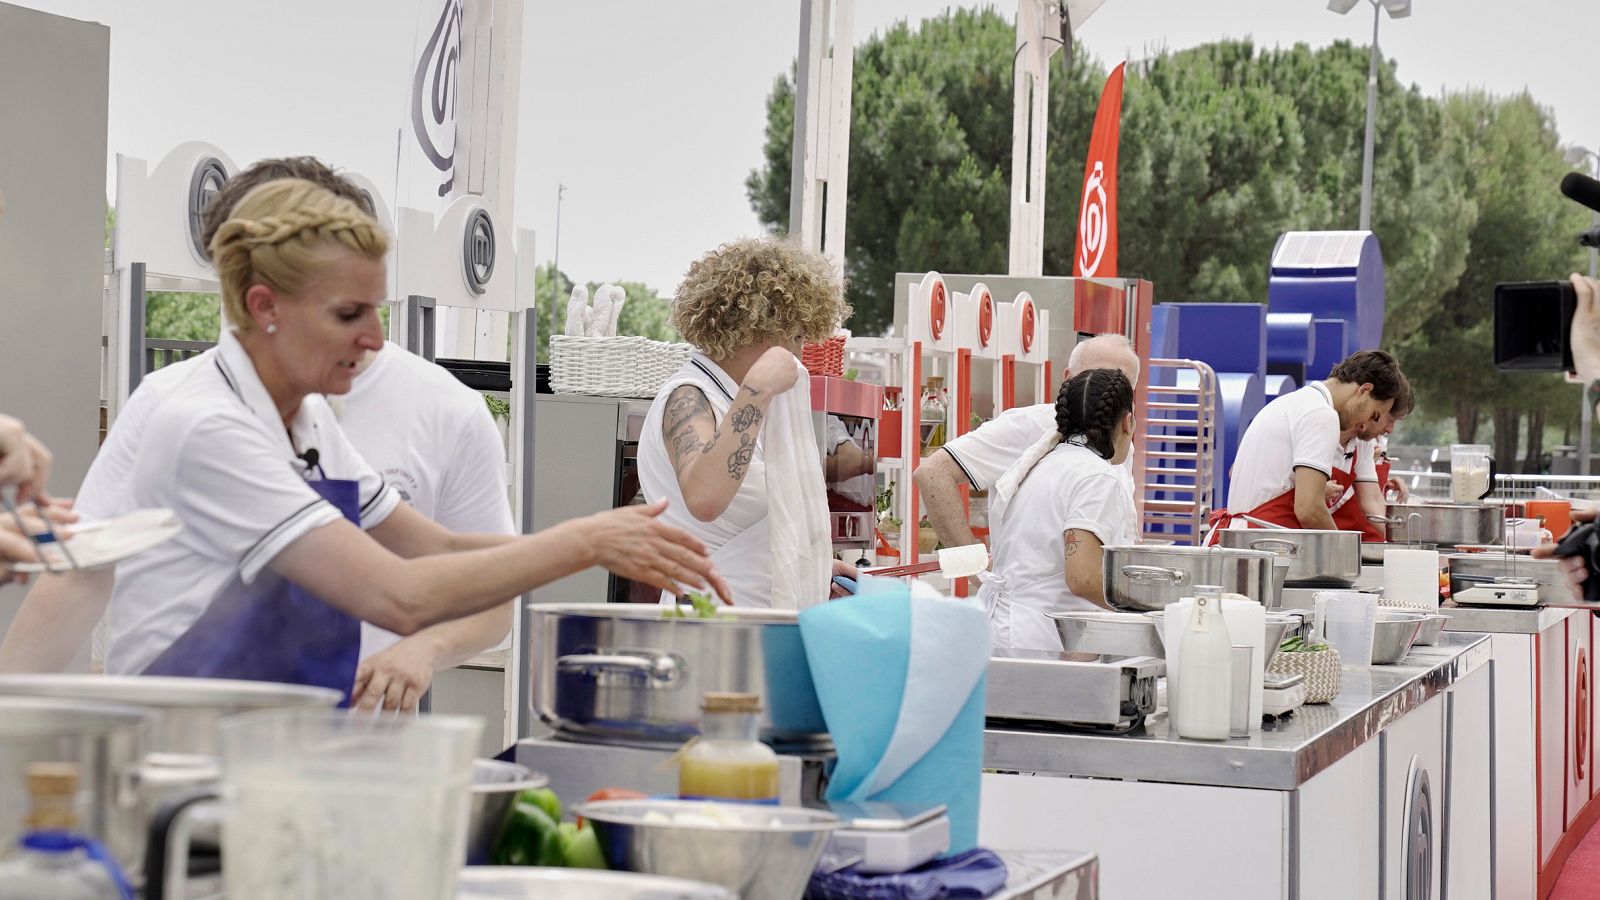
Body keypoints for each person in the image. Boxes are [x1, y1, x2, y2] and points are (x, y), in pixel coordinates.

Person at [7, 178, 726, 700]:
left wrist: (595, 535)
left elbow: (434, 547)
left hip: (283, 742)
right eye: (349, 313)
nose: (376, 339)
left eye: (376, 310)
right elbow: (400, 595)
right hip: (191, 761)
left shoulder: (306, 412)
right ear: (266, 307)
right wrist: (586, 544)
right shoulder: (205, 426)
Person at [0, 158, 516, 712]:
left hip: (359, 752)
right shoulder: (178, 404)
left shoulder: (448, 411)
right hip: (196, 749)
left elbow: (486, 594)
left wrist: (424, 649)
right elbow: (83, 571)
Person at [638, 237, 854, 608]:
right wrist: (756, 390)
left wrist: (808, 567)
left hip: (756, 621)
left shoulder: (734, 400)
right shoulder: (688, 397)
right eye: (797, 335)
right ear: (761, 328)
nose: (800, 351)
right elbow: (705, 498)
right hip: (710, 625)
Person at [914, 334, 1141, 551]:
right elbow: (933, 473)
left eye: (1121, 387)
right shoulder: (1029, 425)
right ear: (1068, 378)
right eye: (1097, 378)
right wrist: (975, 565)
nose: (1107, 394)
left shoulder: (1122, 442)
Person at [978, 369, 1138, 651]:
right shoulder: (1098, 476)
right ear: (1128, 422)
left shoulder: (1046, 463)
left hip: (1006, 629)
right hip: (1038, 638)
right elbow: (1082, 577)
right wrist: (1144, 608)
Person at [1212, 349, 1405, 534]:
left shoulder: (1292, 403)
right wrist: (1344, 554)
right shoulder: (1321, 414)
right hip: (1262, 545)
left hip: (1242, 540)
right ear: (1364, 390)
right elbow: (1309, 510)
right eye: (1374, 414)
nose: (1365, 424)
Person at [1326, 375, 1414, 540]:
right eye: (1388, 418)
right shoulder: (1321, 427)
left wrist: (1407, 538)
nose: (1390, 430)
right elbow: (1307, 506)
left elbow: (1373, 502)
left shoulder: (1363, 444)